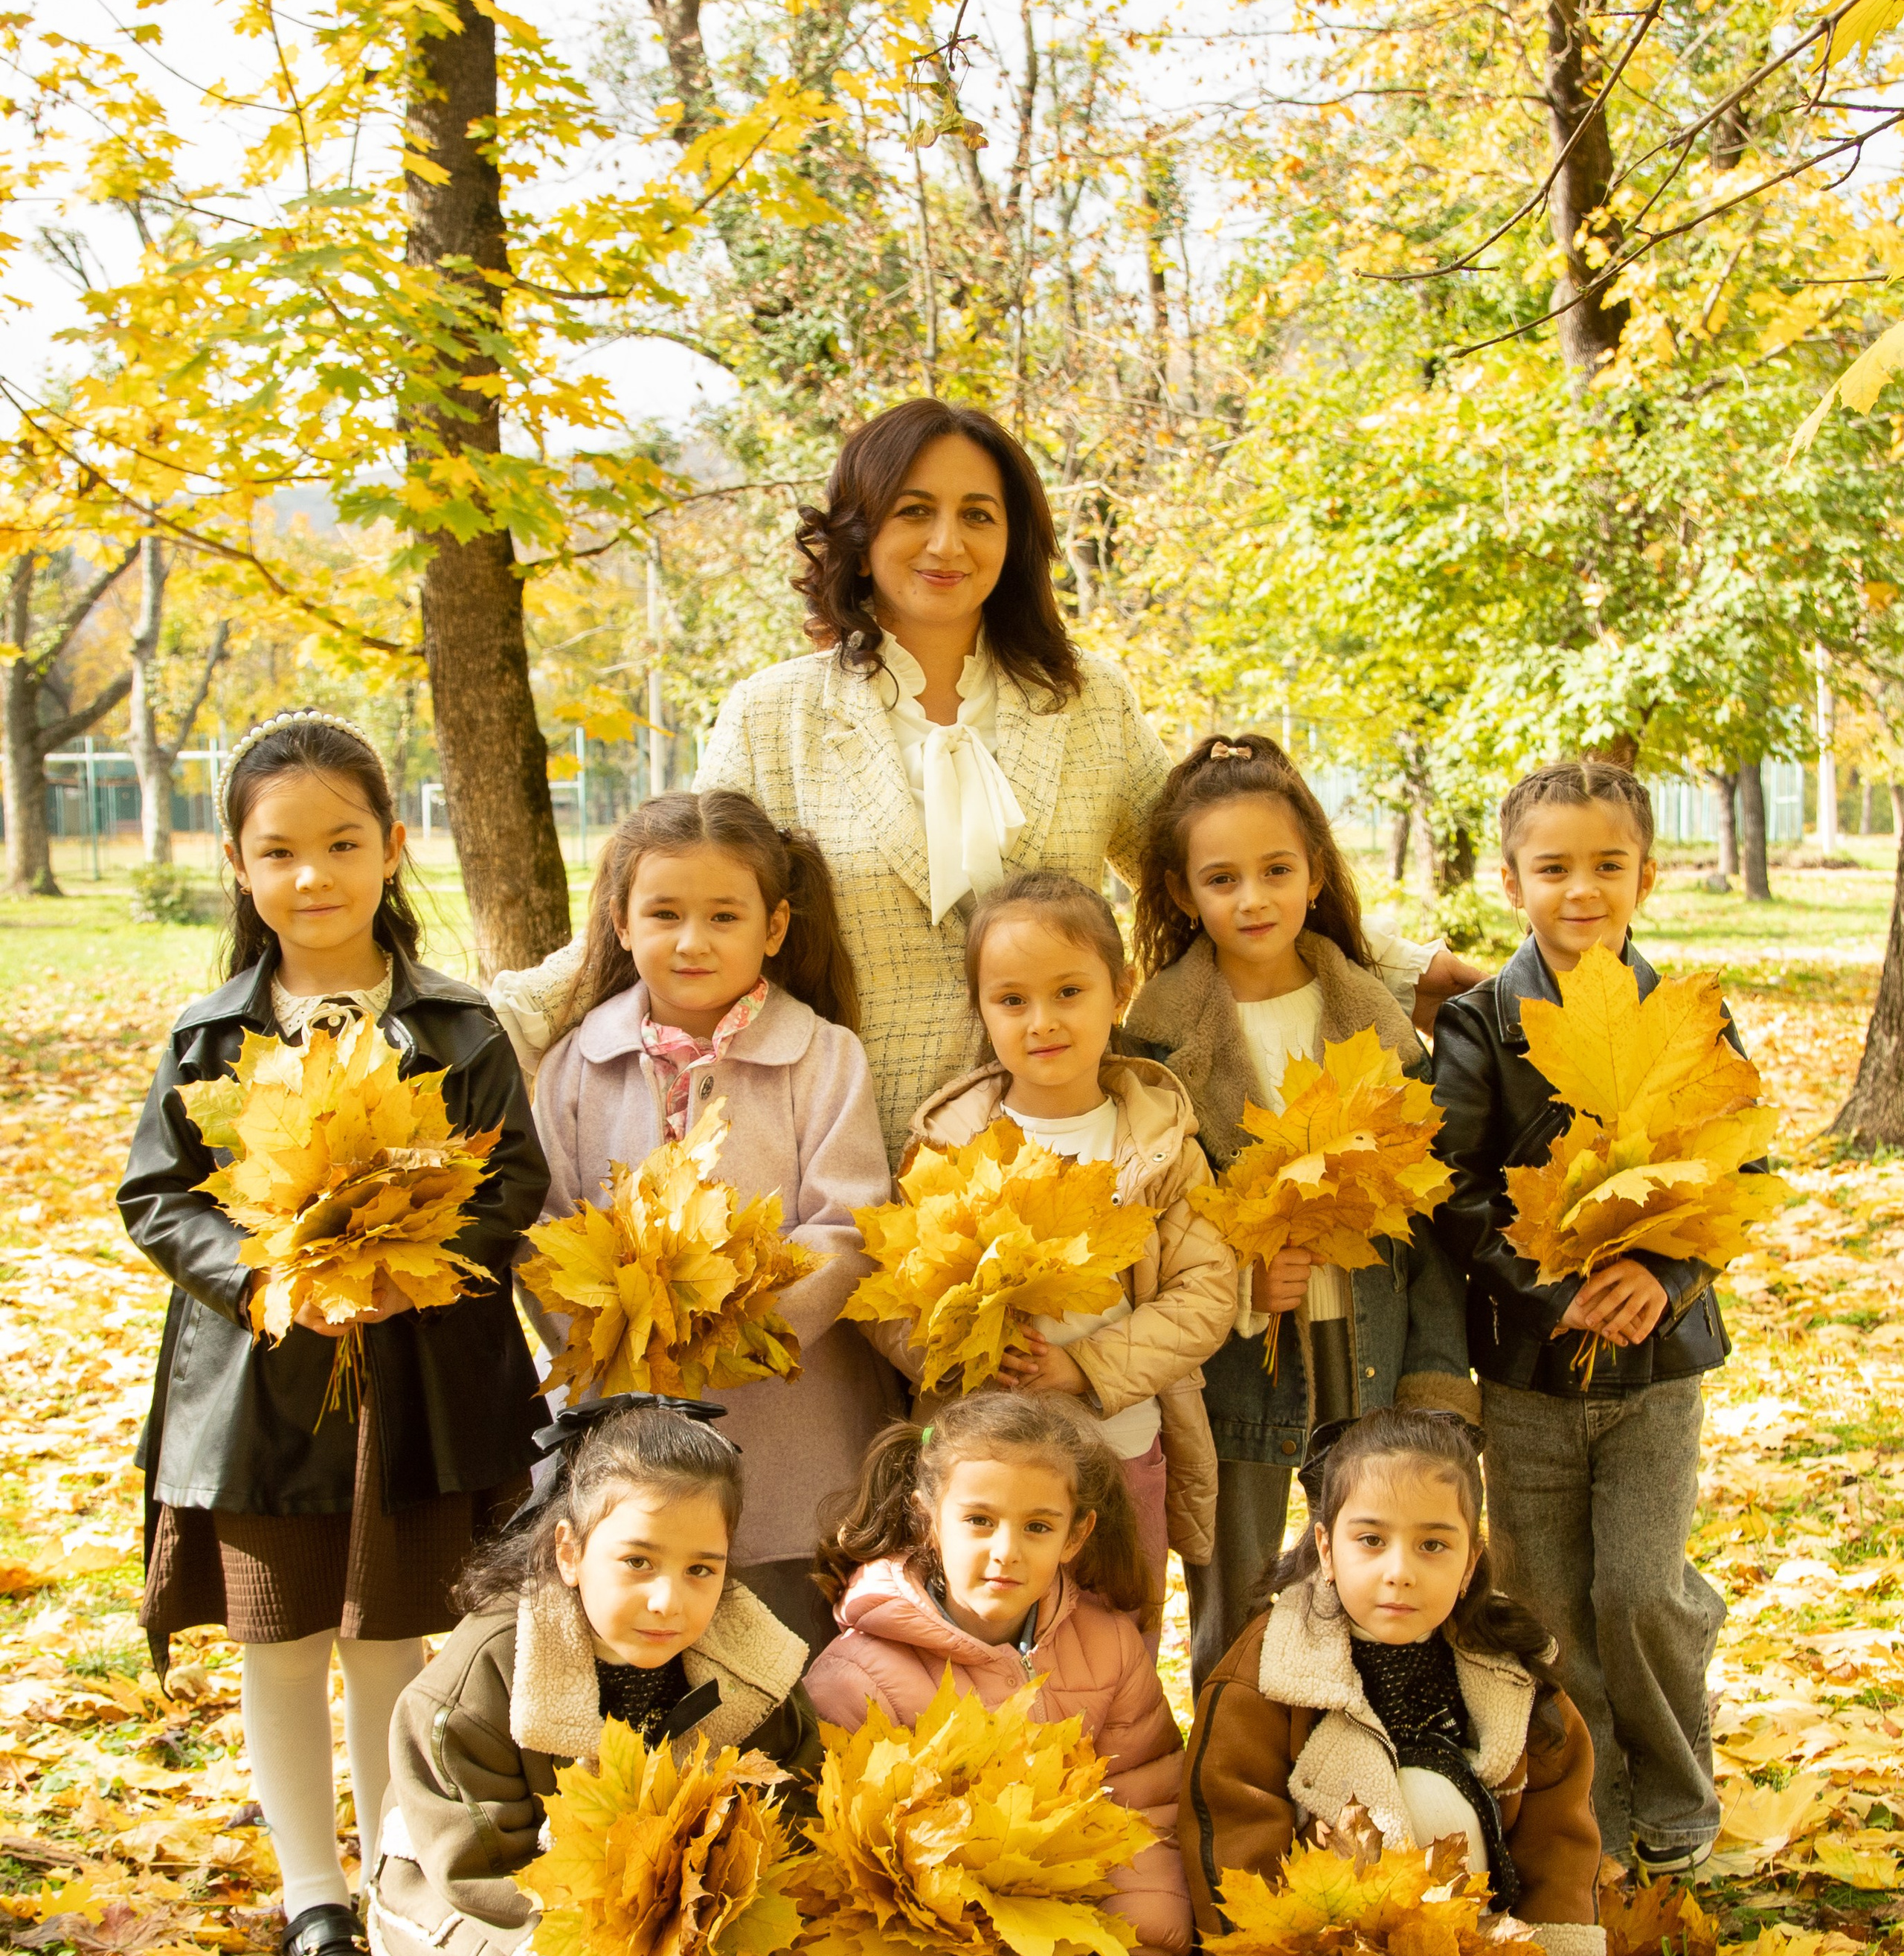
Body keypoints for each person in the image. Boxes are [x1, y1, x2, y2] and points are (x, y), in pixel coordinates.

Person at [487, 400, 1472, 1154]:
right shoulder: (773, 714)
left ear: (1015, 540)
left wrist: (1417, 973)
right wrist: (474, 1020)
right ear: (860, 536)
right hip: (843, 1145)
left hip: (1062, 1134)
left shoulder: (1088, 704)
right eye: (914, 512)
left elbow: (1217, 870)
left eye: (978, 515)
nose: (947, 543)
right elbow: (661, 913)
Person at [118, 710, 547, 1956]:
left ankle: (396, 1873)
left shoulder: (461, 1027)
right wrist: (269, 1279)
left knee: (392, 1639)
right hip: (262, 1395)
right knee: (281, 1643)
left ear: (393, 849)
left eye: (344, 843)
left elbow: (511, 1178)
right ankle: (313, 1893)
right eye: (282, 850)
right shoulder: (210, 1038)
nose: (316, 875)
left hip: (421, 1391)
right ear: (242, 869)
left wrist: (404, 1255)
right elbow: (159, 1195)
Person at [1432, 759, 1739, 1871]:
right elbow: (1455, 1187)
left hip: (1658, 1367)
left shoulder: (1690, 1016)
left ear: (1646, 876)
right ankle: (1591, 1806)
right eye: (1553, 867)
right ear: (1513, 882)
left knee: (1642, 1586)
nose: (1581, 890)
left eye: (1607, 865)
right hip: (1530, 1370)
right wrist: (1560, 1288)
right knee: (1550, 1597)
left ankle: (1678, 1784)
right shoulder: (1481, 1025)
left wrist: (1663, 1271)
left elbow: (1730, 1165)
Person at [1125, 734, 1476, 1690]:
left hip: (1367, 1347)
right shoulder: (1156, 1037)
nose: (1252, 899)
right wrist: (1240, 1277)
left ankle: (1360, 1789)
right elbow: (1151, 1221)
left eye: (1276, 870)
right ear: (1180, 891)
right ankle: (1228, 1796)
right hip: (1236, 1371)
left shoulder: (1375, 1018)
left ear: (1314, 873)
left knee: (1374, 1592)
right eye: (1222, 878)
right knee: (1235, 1607)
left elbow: (1427, 1220)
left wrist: (1438, 1378)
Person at [528, 789, 893, 1653]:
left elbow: (847, 1221)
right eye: (664, 913)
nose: (691, 941)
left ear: (773, 927)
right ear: (619, 921)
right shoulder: (578, 1063)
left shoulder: (823, 1055)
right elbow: (542, 1227)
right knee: (641, 1643)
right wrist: (615, 1330)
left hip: (789, 1418)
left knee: (787, 1651)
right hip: (621, 1415)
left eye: (723, 915)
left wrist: (735, 1325)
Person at [367, 1400, 818, 1956]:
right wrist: (606, 1931)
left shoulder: (751, 1660)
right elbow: (473, 1850)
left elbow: (796, 1790)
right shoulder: (487, 1674)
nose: (669, 1600)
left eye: (701, 1569)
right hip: (503, 1883)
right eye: (638, 1561)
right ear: (571, 1553)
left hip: (675, 1889)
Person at [875, 871, 1235, 1642]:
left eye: (1068, 991)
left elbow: (1206, 1291)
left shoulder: (1160, 1139)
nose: (1042, 1021)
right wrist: (962, 1348)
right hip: (981, 1474)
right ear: (980, 1006)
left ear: (1121, 988)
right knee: (981, 1646)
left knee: (1116, 1640)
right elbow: (893, 1297)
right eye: (1011, 1000)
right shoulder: (948, 1143)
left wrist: (1088, 1366)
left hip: (1117, 1449)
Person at [805, 1393, 1218, 1956]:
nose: (1006, 1551)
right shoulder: (859, 1675)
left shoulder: (1107, 1646)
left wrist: (1143, 1951)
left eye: (1036, 1527)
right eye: (978, 1520)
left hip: (1079, 1933)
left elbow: (1145, 1800)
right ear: (928, 1519)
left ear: (1076, 1535)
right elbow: (851, 1868)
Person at [1180, 1408, 1604, 1956]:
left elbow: (1559, 1824)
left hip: (1479, 1942)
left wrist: (1550, 1954)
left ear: (1468, 1563)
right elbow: (1232, 1829)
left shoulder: (1505, 1665)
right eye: (1372, 1540)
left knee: (1437, 1787)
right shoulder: (1269, 1674)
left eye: (1432, 1545)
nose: (1399, 1571)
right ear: (1327, 1549)